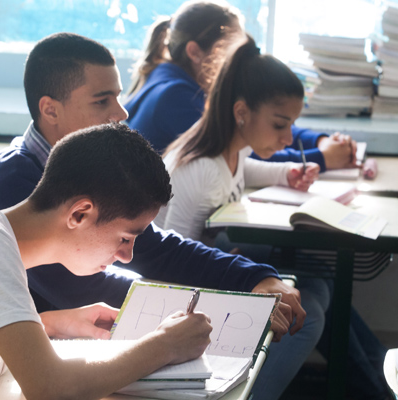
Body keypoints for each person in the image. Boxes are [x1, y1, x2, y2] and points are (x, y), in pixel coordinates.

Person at [0, 32, 316, 400]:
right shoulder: (10, 189)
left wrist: (252, 279)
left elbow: (157, 248)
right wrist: (223, 313)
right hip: (16, 374)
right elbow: (85, 290)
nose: (122, 113)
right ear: (50, 109)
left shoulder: (86, 171)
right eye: (102, 100)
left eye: (118, 95)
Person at [0, 124, 214, 400]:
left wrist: (51, 323)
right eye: (125, 238)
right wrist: (163, 346)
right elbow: (50, 390)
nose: (127, 256)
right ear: (79, 214)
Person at [156, 34, 389, 400]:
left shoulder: (229, 151)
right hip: (184, 300)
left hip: (216, 271)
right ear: (241, 112)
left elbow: (244, 169)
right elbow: (169, 268)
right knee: (308, 311)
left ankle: (378, 387)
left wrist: (286, 175)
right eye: (280, 124)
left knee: (320, 282)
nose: (288, 138)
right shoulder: (199, 171)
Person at [125, 0, 357, 172]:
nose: (241, 62)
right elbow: (245, 152)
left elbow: (264, 125)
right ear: (195, 52)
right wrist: (322, 158)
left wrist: (319, 141)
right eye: (231, 53)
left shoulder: (179, 83)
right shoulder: (174, 97)